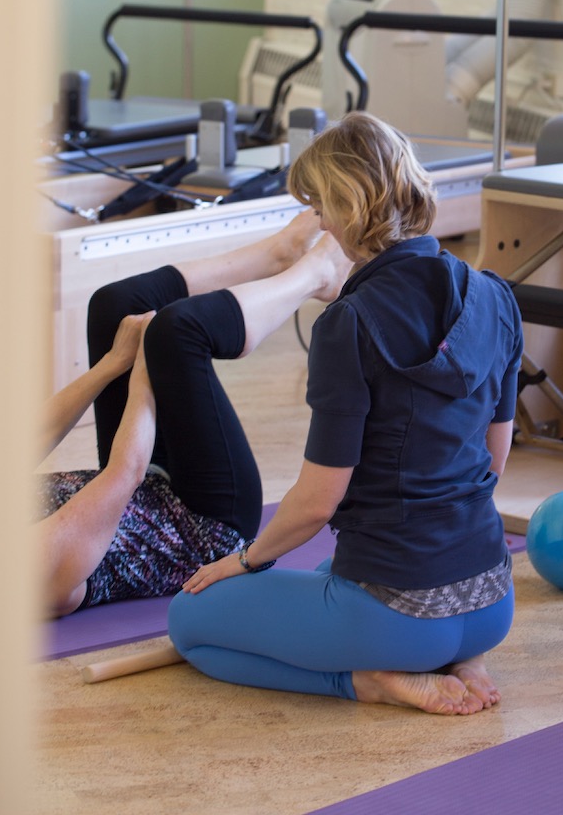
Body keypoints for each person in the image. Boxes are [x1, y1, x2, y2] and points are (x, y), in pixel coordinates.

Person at [168, 111, 524, 716]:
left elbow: (314, 504)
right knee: (334, 567)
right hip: (491, 601)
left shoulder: (348, 324)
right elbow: (494, 458)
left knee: (189, 622)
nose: (318, 224)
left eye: (319, 207)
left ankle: (371, 681)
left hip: (398, 620)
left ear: (348, 208)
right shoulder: (495, 295)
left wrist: (243, 561)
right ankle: (460, 657)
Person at [38, 212, 349, 618]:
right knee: (174, 332)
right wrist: (144, 371)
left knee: (113, 306)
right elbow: (123, 473)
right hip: (201, 524)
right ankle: (317, 274)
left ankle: (276, 254)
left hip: (140, 485)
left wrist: (113, 364)